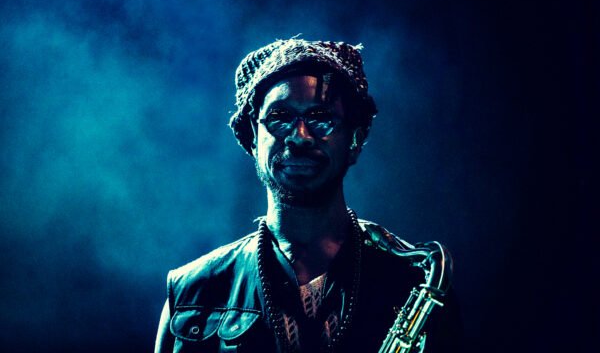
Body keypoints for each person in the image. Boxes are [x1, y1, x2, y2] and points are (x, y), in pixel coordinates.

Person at [154, 39, 463, 352]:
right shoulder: (191, 293)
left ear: (355, 140)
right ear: (253, 140)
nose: (299, 136)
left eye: (320, 118)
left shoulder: (416, 281)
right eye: (280, 117)